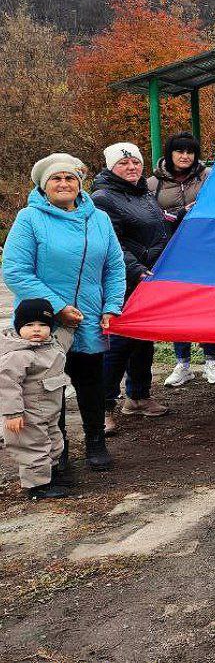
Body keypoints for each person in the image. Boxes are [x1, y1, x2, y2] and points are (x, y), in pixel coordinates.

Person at [3, 153, 125, 472]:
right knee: (46, 388)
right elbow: (15, 270)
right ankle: (57, 453)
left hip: (88, 317)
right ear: (44, 187)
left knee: (90, 382)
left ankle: (96, 443)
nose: (63, 183)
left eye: (69, 178)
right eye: (56, 179)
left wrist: (111, 305)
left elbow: (114, 266)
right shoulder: (29, 218)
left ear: (79, 184)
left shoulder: (98, 219)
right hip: (43, 323)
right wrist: (57, 308)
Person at [93, 142, 172, 430]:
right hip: (122, 280)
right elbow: (112, 243)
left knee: (143, 339)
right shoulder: (102, 198)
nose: (131, 168)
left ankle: (138, 396)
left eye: (135, 163)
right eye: (124, 164)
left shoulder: (145, 194)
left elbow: (159, 233)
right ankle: (103, 407)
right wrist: (136, 270)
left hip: (148, 278)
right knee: (118, 343)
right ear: (111, 167)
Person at [148, 131, 215, 386]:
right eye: (180, 151)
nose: (185, 156)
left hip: (207, 253)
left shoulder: (208, 177)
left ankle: (211, 362)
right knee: (178, 307)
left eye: (190, 151)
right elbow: (150, 217)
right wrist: (179, 213)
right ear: (169, 154)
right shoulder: (152, 183)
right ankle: (183, 363)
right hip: (172, 253)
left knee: (208, 306)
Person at [1, 299, 73, 499]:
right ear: (18, 327)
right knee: (33, 448)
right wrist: (13, 413)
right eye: (29, 325)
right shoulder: (17, 355)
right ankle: (37, 486)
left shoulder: (52, 346)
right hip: (27, 414)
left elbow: (65, 338)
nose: (36, 330)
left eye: (43, 325)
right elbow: (7, 385)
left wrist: (71, 324)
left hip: (49, 412)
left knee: (54, 442)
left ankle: (51, 475)